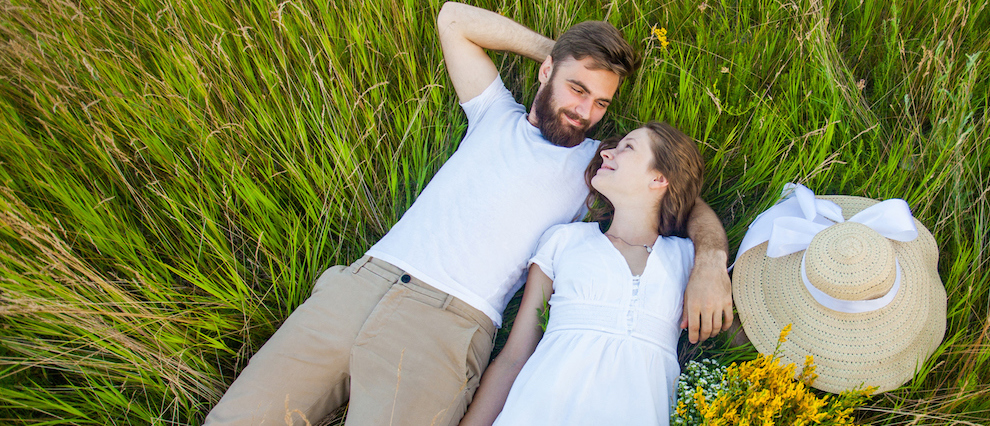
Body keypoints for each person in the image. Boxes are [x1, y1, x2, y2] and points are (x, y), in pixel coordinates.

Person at [204, 3, 732, 426]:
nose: (585, 111)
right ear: (546, 72)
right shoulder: (492, 114)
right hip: (361, 285)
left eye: (601, 103)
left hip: (445, 328)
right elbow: (453, 19)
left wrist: (710, 259)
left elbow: (681, 196)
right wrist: (562, 51)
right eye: (577, 88)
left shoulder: (592, 165)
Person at [458, 122, 704, 426]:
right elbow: (513, 357)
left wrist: (714, 264)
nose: (607, 154)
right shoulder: (565, 241)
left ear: (659, 177)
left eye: (627, 147)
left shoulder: (688, 258)